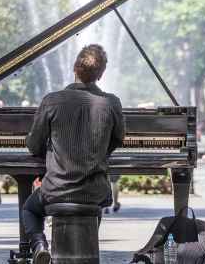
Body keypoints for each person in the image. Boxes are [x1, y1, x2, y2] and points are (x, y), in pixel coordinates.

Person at [23, 44, 124, 264]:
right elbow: (118, 139)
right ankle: (85, 252)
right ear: (101, 74)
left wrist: (50, 151)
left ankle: (39, 245)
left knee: (30, 209)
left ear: (74, 68)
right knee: (93, 206)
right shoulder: (111, 103)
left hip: (56, 189)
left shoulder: (52, 100)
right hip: (94, 190)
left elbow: (33, 145)